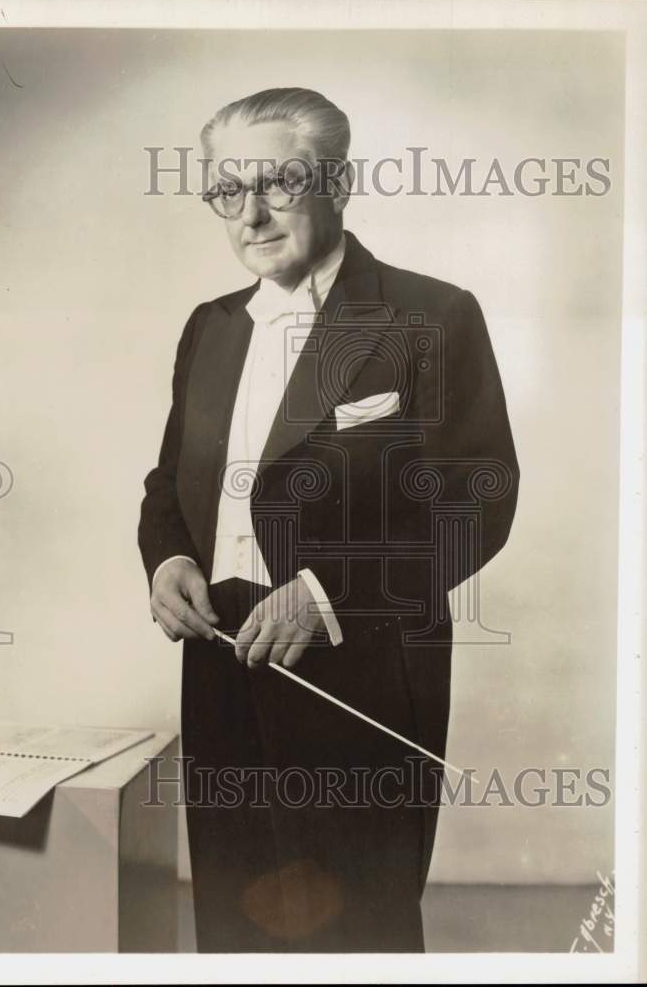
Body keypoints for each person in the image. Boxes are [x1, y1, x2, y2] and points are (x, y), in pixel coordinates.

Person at [138, 87, 519, 952]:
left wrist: (323, 591)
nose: (252, 213)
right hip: (220, 654)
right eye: (227, 191)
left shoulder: (432, 315)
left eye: (277, 182)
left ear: (338, 184)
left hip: (362, 660)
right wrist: (166, 562)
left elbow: (480, 499)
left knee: (359, 934)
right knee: (233, 924)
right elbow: (170, 483)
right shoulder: (209, 327)